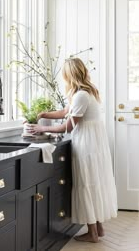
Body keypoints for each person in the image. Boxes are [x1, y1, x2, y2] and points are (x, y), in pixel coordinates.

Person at [27, 58, 117, 243]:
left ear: (70, 74)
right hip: (94, 143)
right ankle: (98, 228)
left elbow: (66, 126)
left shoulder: (81, 95)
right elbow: (64, 111)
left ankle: (92, 234)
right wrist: (44, 114)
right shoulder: (85, 92)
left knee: (87, 184)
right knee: (93, 183)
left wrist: (41, 128)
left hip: (86, 145)